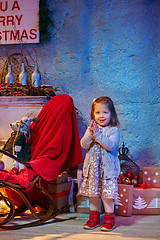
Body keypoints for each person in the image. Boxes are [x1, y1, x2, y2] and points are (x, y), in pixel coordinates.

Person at [78, 96, 120, 231]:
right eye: (98, 112)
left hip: (107, 171)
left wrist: (97, 135)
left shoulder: (113, 130)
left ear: (111, 114)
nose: (101, 116)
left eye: (105, 112)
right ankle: (93, 218)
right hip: (93, 171)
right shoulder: (91, 129)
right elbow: (84, 145)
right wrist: (91, 134)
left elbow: (111, 146)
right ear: (93, 114)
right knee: (93, 194)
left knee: (107, 195)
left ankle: (109, 219)